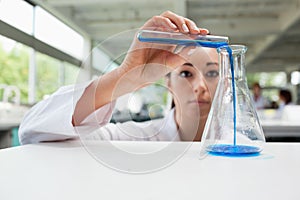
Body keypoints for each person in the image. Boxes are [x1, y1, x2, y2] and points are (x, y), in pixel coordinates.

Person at [19, 11, 219, 144]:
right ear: (168, 83)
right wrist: (127, 76)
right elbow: (34, 133)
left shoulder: (244, 142)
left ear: (226, 81)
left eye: (211, 73)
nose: (199, 86)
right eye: (185, 73)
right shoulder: (133, 139)